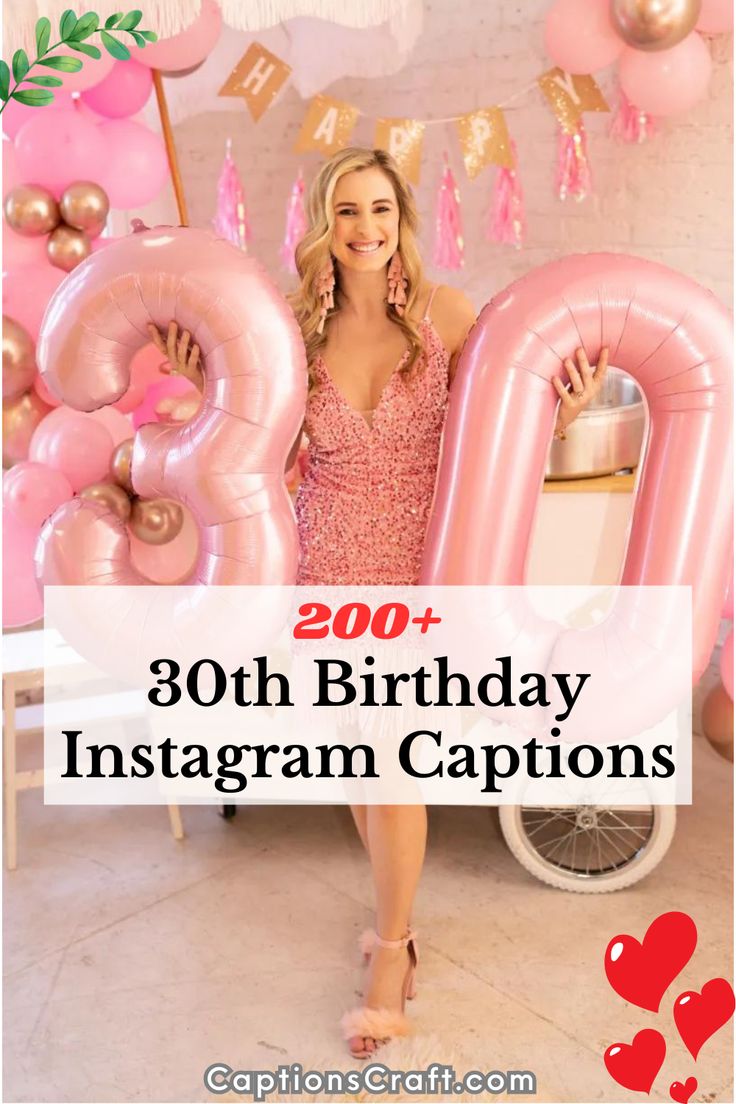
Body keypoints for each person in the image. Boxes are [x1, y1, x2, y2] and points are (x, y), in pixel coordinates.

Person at [148, 146, 608, 1060]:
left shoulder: (446, 316)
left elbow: (498, 430)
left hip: (420, 570)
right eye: (348, 211)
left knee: (394, 768)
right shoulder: (286, 328)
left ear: (405, 221)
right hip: (323, 567)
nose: (366, 229)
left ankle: (391, 955)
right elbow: (262, 455)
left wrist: (563, 411)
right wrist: (210, 386)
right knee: (365, 768)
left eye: (382, 211)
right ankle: (396, 927)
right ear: (324, 222)